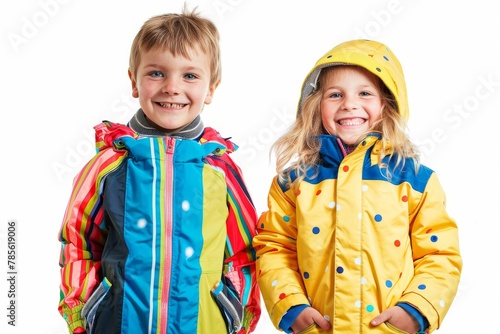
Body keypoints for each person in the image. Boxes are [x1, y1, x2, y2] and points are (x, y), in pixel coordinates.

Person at [57, 6, 260, 334]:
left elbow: (243, 249)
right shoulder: (109, 163)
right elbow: (78, 240)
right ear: (134, 81)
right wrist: (84, 309)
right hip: (119, 324)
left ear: (211, 88)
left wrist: (237, 311)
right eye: (156, 73)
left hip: (203, 323)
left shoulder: (219, 167)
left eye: (190, 75)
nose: (171, 87)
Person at [252, 39, 462, 334]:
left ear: (386, 105)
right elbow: (275, 248)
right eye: (335, 94)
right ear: (315, 106)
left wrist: (416, 310)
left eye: (364, 93)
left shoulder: (414, 180)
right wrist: (292, 307)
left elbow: (439, 255)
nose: (349, 103)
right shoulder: (293, 184)